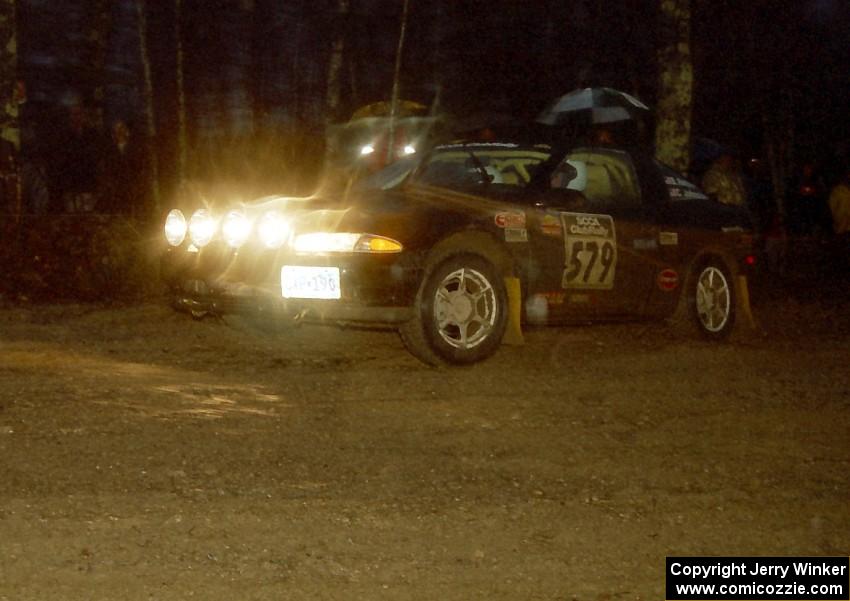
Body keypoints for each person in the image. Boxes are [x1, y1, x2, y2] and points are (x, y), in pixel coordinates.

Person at [97, 119, 149, 215]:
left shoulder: (134, 147)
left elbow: (138, 165)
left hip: (132, 184)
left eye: (121, 128)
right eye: (116, 129)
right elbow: (109, 167)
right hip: (116, 185)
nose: (119, 132)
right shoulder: (110, 150)